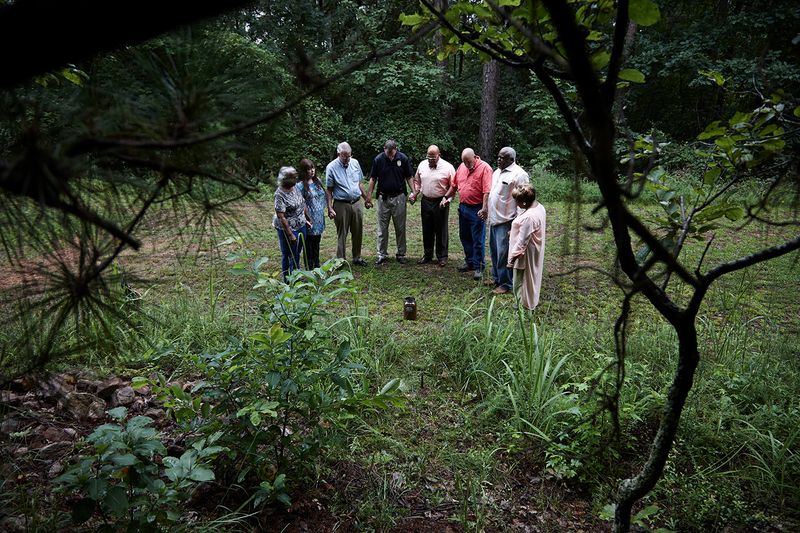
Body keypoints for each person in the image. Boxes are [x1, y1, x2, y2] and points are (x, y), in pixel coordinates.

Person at [440, 148, 493, 281]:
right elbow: (454, 185)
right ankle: (469, 262)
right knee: (464, 236)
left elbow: (487, 191)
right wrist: (445, 197)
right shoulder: (461, 167)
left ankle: (479, 267)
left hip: (477, 209)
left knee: (478, 240)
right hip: (463, 207)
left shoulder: (485, 168)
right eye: (464, 162)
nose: (467, 165)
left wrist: (484, 208)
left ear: (475, 157)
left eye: (469, 162)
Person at [488, 147, 530, 295]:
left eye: (503, 158)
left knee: (504, 254)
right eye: (498, 157)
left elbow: (523, 202)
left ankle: (506, 284)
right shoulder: (496, 172)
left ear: (511, 159)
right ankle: (496, 278)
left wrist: (516, 226)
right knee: (494, 252)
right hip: (493, 219)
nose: (499, 160)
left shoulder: (519, 175)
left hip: (507, 221)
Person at [367, 139, 414, 265]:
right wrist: (368, 197)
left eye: (392, 153)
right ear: (384, 149)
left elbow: (409, 176)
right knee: (382, 228)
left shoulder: (402, 158)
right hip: (383, 198)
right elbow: (373, 179)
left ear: (396, 149)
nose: (390, 156)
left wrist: (414, 192)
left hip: (399, 197)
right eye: (388, 153)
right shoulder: (378, 160)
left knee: (400, 227)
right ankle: (381, 254)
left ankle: (401, 254)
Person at [325, 142, 372, 266]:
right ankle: (341, 260)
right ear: (338, 154)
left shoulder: (355, 163)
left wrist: (366, 198)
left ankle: (357, 257)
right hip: (341, 204)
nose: (347, 159)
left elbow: (359, 183)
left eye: (349, 156)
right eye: (344, 156)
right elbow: (329, 190)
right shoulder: (331, 167)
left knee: (358, 231)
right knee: (342, 232)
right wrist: (329, 207)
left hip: (357, 202)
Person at [410, 145, 455, 267]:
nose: (430, 161)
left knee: (441, 229)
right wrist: (414, 193)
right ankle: (427, 255)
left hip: (441, 201)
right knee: (427, 228)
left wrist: (447, 198)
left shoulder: (448, 167)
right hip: (426, 200)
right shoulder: (422, 165)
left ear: (438, 155)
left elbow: (453, 185)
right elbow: (417, 181)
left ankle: (442, 256)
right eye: (428, 158)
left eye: (433, 159)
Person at [507, 185, 546, 310]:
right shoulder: (539, 207)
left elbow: (522, 242)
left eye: (517, 201)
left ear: (523, 202)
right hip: (533, 250)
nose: (516, 204)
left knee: (521, 279)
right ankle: (527, 302)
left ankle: (523, 305)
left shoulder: (529, 217)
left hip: (525, 254)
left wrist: (511, 260)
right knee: (532, 275)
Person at [273, 166, 310, 282]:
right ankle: (287, 280)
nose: (296, 178)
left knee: (297, 252)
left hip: (301, 224)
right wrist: (290, 234)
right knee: (288, 253)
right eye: (293, 177)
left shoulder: (295, 188)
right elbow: (281, 216)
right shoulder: (279, 194)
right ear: (285, 179)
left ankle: (296, 274)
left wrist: (306, 219)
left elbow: (302, 204)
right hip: (288, 228)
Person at [297, 158, 325, 269]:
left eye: (313, 167)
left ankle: (317, 265)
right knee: (308, 245)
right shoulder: (300, 186)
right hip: (308, 218)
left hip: (319, 218)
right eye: (309, 169)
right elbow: (300, 204)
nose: (312, 170)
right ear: (304, 171)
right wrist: (306, 218)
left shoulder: (317, 181)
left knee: (316, 244)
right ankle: (310, 267)